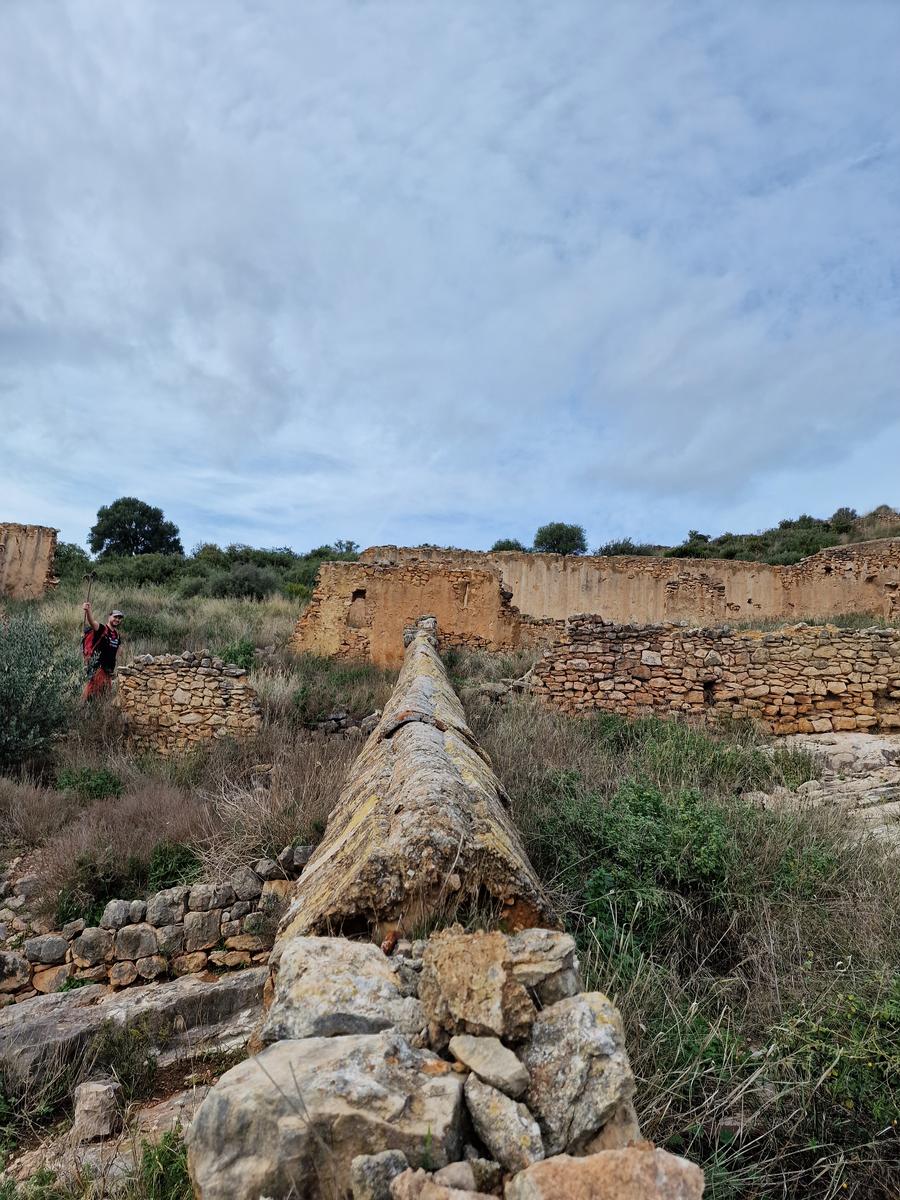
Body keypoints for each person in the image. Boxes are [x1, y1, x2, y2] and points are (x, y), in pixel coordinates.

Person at [81, 603, 124, 699]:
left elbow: (117, 652)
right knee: (91, 696)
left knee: (103, 697)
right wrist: (88, 610)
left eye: (119, 618)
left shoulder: (117, 635)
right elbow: (92, 622)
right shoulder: (101, 629)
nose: (117, 620)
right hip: (98, 669)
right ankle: (83, 711)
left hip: (109, 671)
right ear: (109, 617)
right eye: (115, 617)